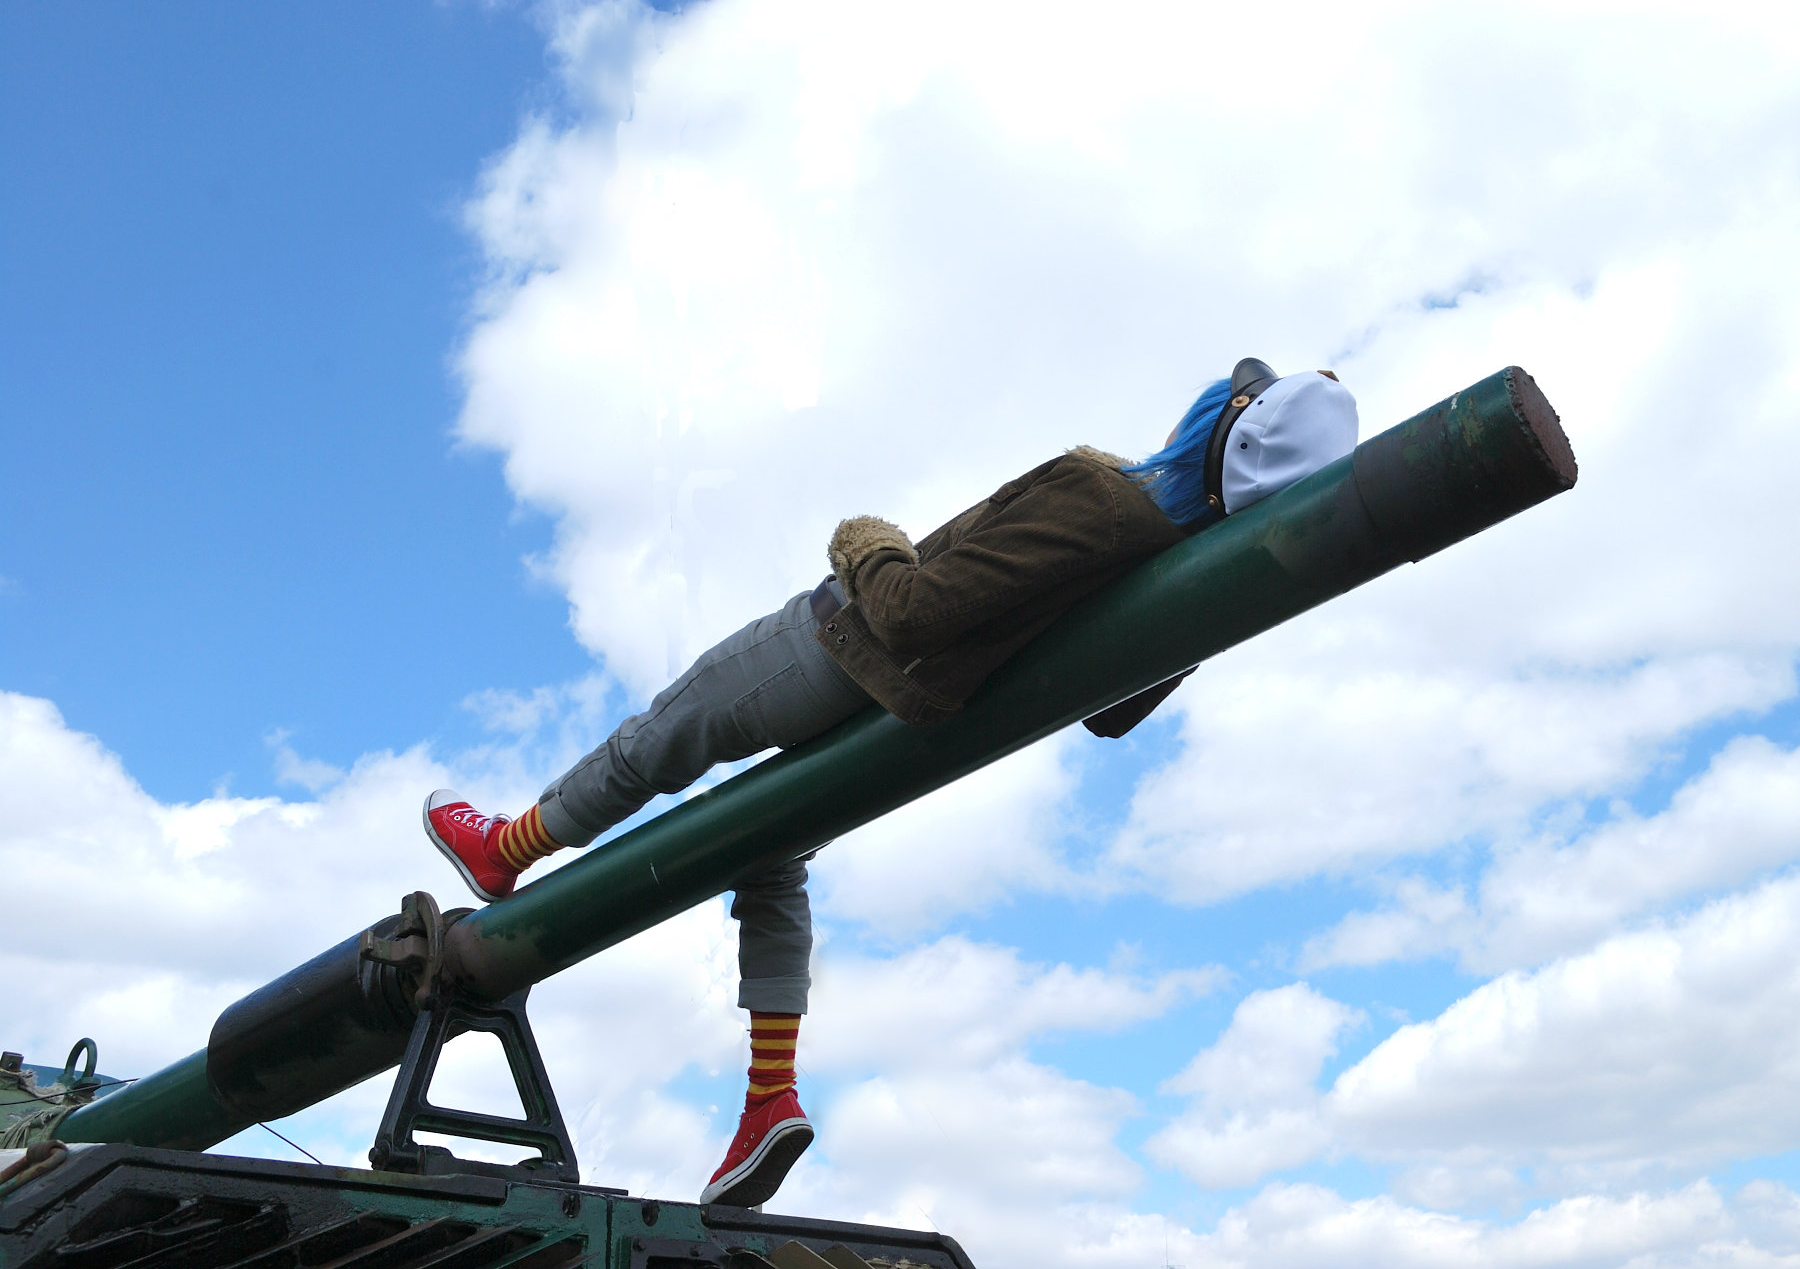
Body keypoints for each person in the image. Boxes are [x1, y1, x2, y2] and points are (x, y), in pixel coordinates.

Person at [421, 358, 1358, 1206]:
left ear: (1226, 419)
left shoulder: (1104, 495)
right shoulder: (1175, 560)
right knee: (766, 849)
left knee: (664, 733)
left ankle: (505, 851)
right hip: (897, 725)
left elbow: (911, 612)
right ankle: (768, 1095)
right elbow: (1110, 713)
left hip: (836, 655)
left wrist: (866, 540)